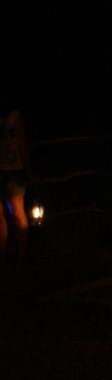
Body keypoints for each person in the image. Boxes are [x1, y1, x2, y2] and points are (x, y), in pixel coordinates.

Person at [0, 108, 35, 265]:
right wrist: (28, 171)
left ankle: (17, 254)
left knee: (16, 212)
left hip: (13, 169)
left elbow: (22, 144)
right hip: (13, 168)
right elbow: (22, 145)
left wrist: (28, 170)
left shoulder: (14, 117)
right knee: (17, 212)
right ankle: (18, 254)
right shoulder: (15, 117)